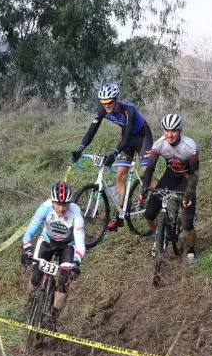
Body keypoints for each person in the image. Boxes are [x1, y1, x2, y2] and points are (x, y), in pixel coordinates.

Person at [70, 83, 155, 231]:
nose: (106, 106)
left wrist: (114, 153)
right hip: (126, 138)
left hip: (142, 136)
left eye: (109, 102)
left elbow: (128, 135)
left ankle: (165, 199)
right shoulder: (101, 110)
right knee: (120, 175)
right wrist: (80, 149)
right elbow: (91, 132)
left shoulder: (128, 109)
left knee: (146, 170)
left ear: (115, 99)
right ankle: (120, 215)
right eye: (103, 103)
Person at [20, 181, 85, 329]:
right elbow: (29, 233)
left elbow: (81, 243)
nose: (61, 208)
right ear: (52, 201)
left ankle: (53, 318)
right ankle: (30, 302)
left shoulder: (76, 213)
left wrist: (76, 263)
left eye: (65, 204)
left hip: (67, 246)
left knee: (63, 283)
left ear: (70, 202)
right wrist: (27, 250)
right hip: (47, 241)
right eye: (58, 204)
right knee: (35, 276)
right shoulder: (44, 208)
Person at [139, 114, 200, 266]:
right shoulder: (159, 144)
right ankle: (159, 237)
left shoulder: (190, 147)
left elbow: (194, 175)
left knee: (187, 224)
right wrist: (144, 187)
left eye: (174, 130)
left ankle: (191, 250)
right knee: (149, 214)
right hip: (169, 177)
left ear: (180, 130)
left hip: (186, 180)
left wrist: (189, 193)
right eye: (166, 130)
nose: (170, 134)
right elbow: (150, 168)